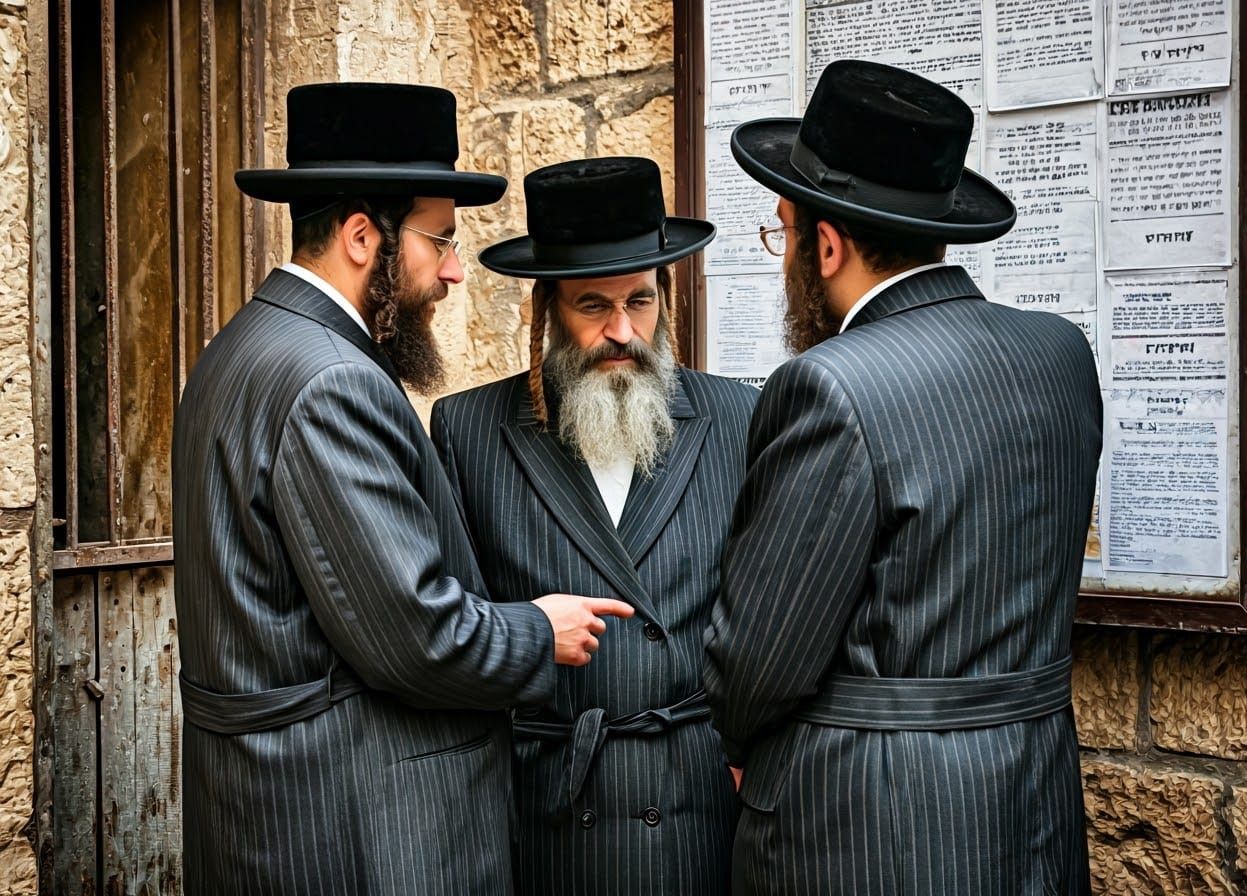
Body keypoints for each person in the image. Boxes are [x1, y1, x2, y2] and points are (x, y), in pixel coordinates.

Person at [172, 82, 630, 894]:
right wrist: (538, 630)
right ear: (360, 236)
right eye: (439, 241)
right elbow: (412, 633)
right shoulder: (330, 381)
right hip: (343, 823)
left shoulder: (246, 342)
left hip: (270, 810)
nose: (455, 272)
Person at [703, 60, 1100, 894]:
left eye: (784, 231)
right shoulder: (1062, 355)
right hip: (1035, 796)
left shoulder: (832, 386)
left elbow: (759, 659)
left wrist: (739, 743)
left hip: (874, 823)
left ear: (829, 243)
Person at [431, 156, 757, 895]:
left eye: (640, 302)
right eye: (592, 306)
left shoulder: (738, 416)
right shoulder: (469, 430)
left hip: (697, 810)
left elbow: (766, 615)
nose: (622, 331)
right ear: (545, 313)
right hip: (549, 811)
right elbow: (453, 624)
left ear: (665, 301)